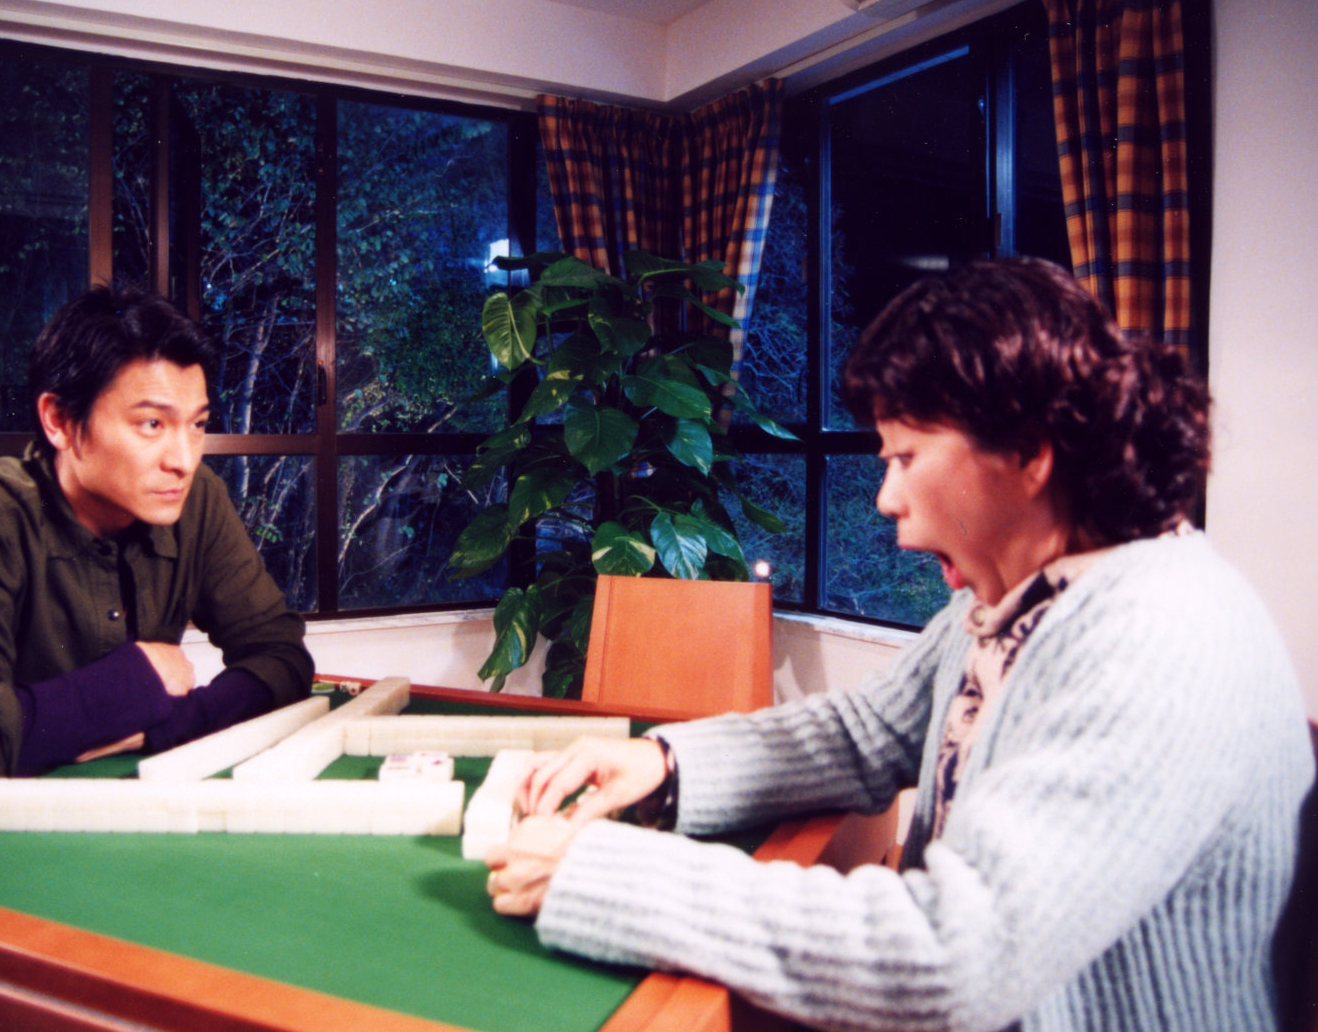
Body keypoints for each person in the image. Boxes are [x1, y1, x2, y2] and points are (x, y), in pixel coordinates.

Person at [483, 258, 1315, 1031]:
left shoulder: (1163, 638)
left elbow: (956, 955)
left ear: (1030, 451)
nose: (886, 498)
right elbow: (865, 733)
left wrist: (604, 875)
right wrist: (667, 765)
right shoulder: (1016, 595)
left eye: (907, 456)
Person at [0, 286, 314, 794]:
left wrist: (173, 722)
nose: (184, 460)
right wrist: (137, 682)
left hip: (109, 803)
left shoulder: (196, 500)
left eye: (197, 425)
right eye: (152, 424)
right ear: (59, 420)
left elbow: (282, 657)